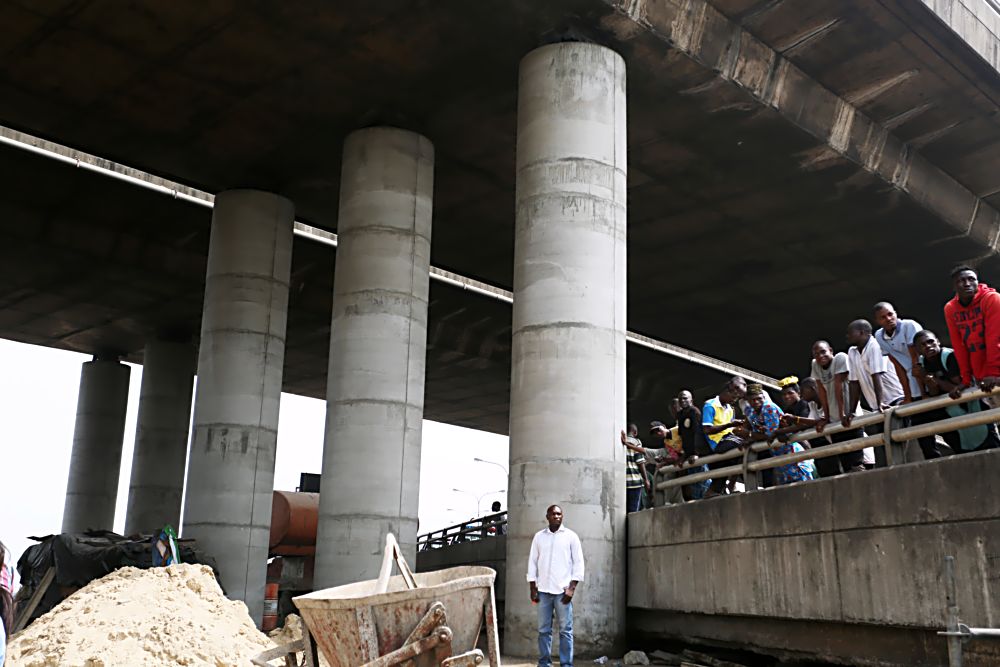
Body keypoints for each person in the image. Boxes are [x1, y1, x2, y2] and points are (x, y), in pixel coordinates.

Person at [873, 302, 943, 459]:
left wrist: (924, 393)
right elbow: (897, 365)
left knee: (945, 425)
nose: (889, 319)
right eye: (883, 317)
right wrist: (908, 396)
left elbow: (916, 359)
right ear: (878, 321)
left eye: (891, 314)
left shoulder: (909, 326)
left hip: (929, 379)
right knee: (922, 433)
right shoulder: (879, 336)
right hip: (912, 384)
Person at [915, 329, 1000, 453]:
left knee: (991, 448)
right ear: (918, 350)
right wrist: (928, 381)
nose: (928, 346)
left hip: (974, 406)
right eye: (923, 345)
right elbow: (935, 392)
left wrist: (935, 380)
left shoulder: (950, 356)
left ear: (938, 342)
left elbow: (960, 388)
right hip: (953, 413)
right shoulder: (923, 363)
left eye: (930, 342)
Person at [528, 505, 584, 667]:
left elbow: (578, 564)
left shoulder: (571, 537)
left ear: (562, 516)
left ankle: (566, 664)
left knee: (565, 631)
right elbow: (533, 562)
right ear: (547, 517)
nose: (556, 516)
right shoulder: (539, 537)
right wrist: (533, 587)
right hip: (543, 591)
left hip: (562, 592)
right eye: (553, 514)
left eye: (559, 514)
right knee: (543, 630)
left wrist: (571, 589)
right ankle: (544, 663)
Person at [944, 265, 1000, 404]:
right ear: (954, 287)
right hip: (982, 375)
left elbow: (994, 337)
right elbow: (959, 346)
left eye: (971, 279)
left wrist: (993, 373)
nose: (967, 284)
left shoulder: (992, 298)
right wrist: (966, 380)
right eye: (961, 281)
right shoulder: (950, 308)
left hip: (995, 372)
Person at [811, 340, 866, 475]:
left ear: (831, 350)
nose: (820, 356)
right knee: (845, 463)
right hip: (835, 422)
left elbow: (839, 387)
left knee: (856, 463)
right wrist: (827, 417)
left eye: (823, 352)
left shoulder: (841, 358)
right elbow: (822, 391)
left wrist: (843, 415)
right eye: (816, 354)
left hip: (850, 418)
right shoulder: (815, 365)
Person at [742, 384, 814, 485]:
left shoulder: (768, 407)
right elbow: (753, 430)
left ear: (763, 397)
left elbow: (769, 435)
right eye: (752, 400)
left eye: (759, 398)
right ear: (748, 401)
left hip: (791, 452)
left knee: (805, 486)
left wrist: (749, 434)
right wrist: (749, 436)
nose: (756, 402)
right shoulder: (749, 411)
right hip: (778, 457)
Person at [701, 381, 746, 497]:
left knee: (746, 441)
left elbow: (731, 430)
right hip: (716, 443)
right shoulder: (710, 405)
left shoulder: (731, 409)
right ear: (726, 392)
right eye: (733, 397)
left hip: (729, 439)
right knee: (745, 444)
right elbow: (707, 430)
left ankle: (726, 487)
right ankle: (733, 485)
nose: (734, 400)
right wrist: (729, 425)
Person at [674, 390, 711, 500]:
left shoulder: (694, 412)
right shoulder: (680, 415)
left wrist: (697, 453)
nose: (682, 401)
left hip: (698, 455)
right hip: (688, 455)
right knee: (694, 486)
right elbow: (683, 436)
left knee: (703, 483)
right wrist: (684, 455)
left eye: (685, 398)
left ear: (691, 399)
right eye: (680, 399)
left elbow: (699, 433)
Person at [619, 424, 649, 513]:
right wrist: (646, 479)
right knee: (633, 512)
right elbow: (640, 462)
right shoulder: (636, 442)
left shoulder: (620, 440)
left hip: (622, 482)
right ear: (635, 432)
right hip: (634, 481)